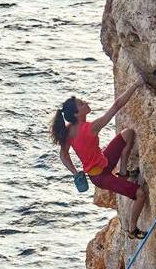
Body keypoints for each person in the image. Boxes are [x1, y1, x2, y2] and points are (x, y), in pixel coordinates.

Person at [51, 75, 149, 238]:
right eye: (82, 104)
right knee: (140, 194)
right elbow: (116, 106)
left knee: (128, 134)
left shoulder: (69, 131)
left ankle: (123, 172)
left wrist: (75, 173)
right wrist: (136, 84)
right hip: (101, 177)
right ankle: (132, 230)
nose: (86, 103)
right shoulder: (90, 128)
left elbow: (63, 154)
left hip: (103, 163)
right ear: (77, 114)